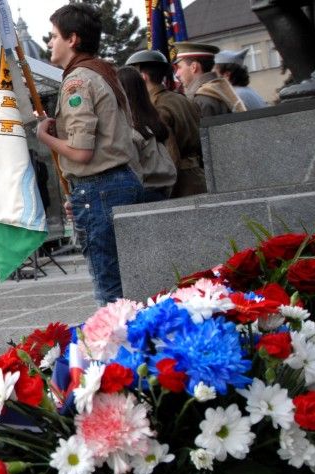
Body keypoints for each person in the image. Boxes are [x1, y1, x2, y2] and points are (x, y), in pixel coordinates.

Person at [37, 3, 143, 306]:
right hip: (119, 182)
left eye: (54, 36)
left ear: (72, 39)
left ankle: (116, 351)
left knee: (109, 290)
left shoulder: (76, 81)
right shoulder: (104, 72)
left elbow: (82, 153)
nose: (49, 43)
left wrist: (45, 136)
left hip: (100, 187)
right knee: (131, 284)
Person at [125, 49, 208, 197]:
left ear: (143, 77)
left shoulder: (155, 108)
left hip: (178, 186)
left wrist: (165, 192)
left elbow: (171, 155)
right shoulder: (182, 99)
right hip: (198, 177)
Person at [116, 66, 177, 203]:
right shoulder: (151, 123)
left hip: (143, 196)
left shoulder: (130, 130)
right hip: (162, 193)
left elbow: (132, 175)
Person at [173, 42, 247, 117]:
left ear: (193, 67)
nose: (177, 74)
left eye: (179, 67)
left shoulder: (202, 100)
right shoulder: (220, 89)